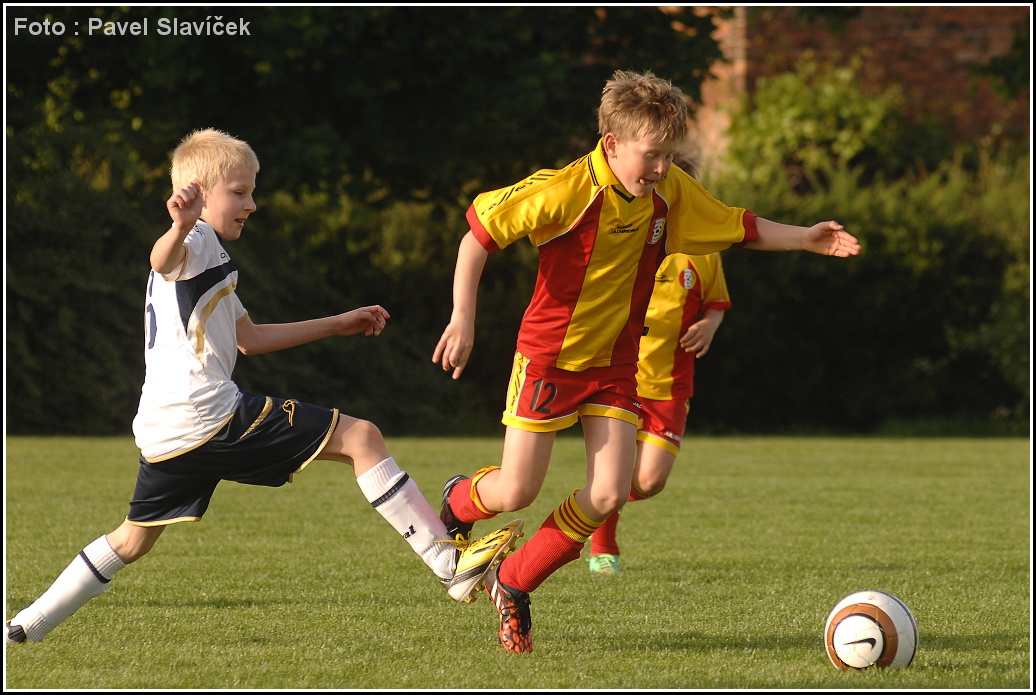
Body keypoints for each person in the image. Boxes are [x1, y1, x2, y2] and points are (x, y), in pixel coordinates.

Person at [4, 128, 522, 645]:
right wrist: (179, 226)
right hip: (209, 416)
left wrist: (338, 323)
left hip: (165, 432)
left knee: (132, 540)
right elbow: (161, 259)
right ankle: (448, 565)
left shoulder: (210, 255)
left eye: (252, 191)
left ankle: (26, 625)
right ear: (199, 194)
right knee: (362, 438)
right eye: (240, 192)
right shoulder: (195, 240)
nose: (251, 204)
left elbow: (248, 339)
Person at [431, 70, 860, 654]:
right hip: (549, 360)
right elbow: (478, 236)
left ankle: (515, 581)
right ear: (611, 144)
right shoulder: (565, 190)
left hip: (615, 367)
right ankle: (459, 498)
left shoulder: (670, 191)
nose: (661, 168)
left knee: (609, 493)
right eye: (651, 155)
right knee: (516, 491)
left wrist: (805, 238)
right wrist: (463, 318)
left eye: (669, 155)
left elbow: (737, 224)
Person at [587, 154, 731, 575]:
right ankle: (602, 544)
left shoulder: (703, 252)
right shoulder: (625, 237)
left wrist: (709, 325)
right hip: (621, 381)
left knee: (649, 481)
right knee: (616, 479)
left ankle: (597, 498)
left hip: (670, 385)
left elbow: (716, 304)